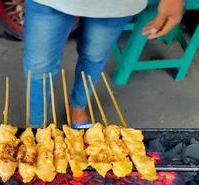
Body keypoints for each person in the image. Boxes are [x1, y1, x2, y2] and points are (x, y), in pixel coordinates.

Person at [24, 0, 184, 128]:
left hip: (114, 5)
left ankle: (78, 107)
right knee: (40, 65)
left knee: (94, 56)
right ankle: (37, 124)